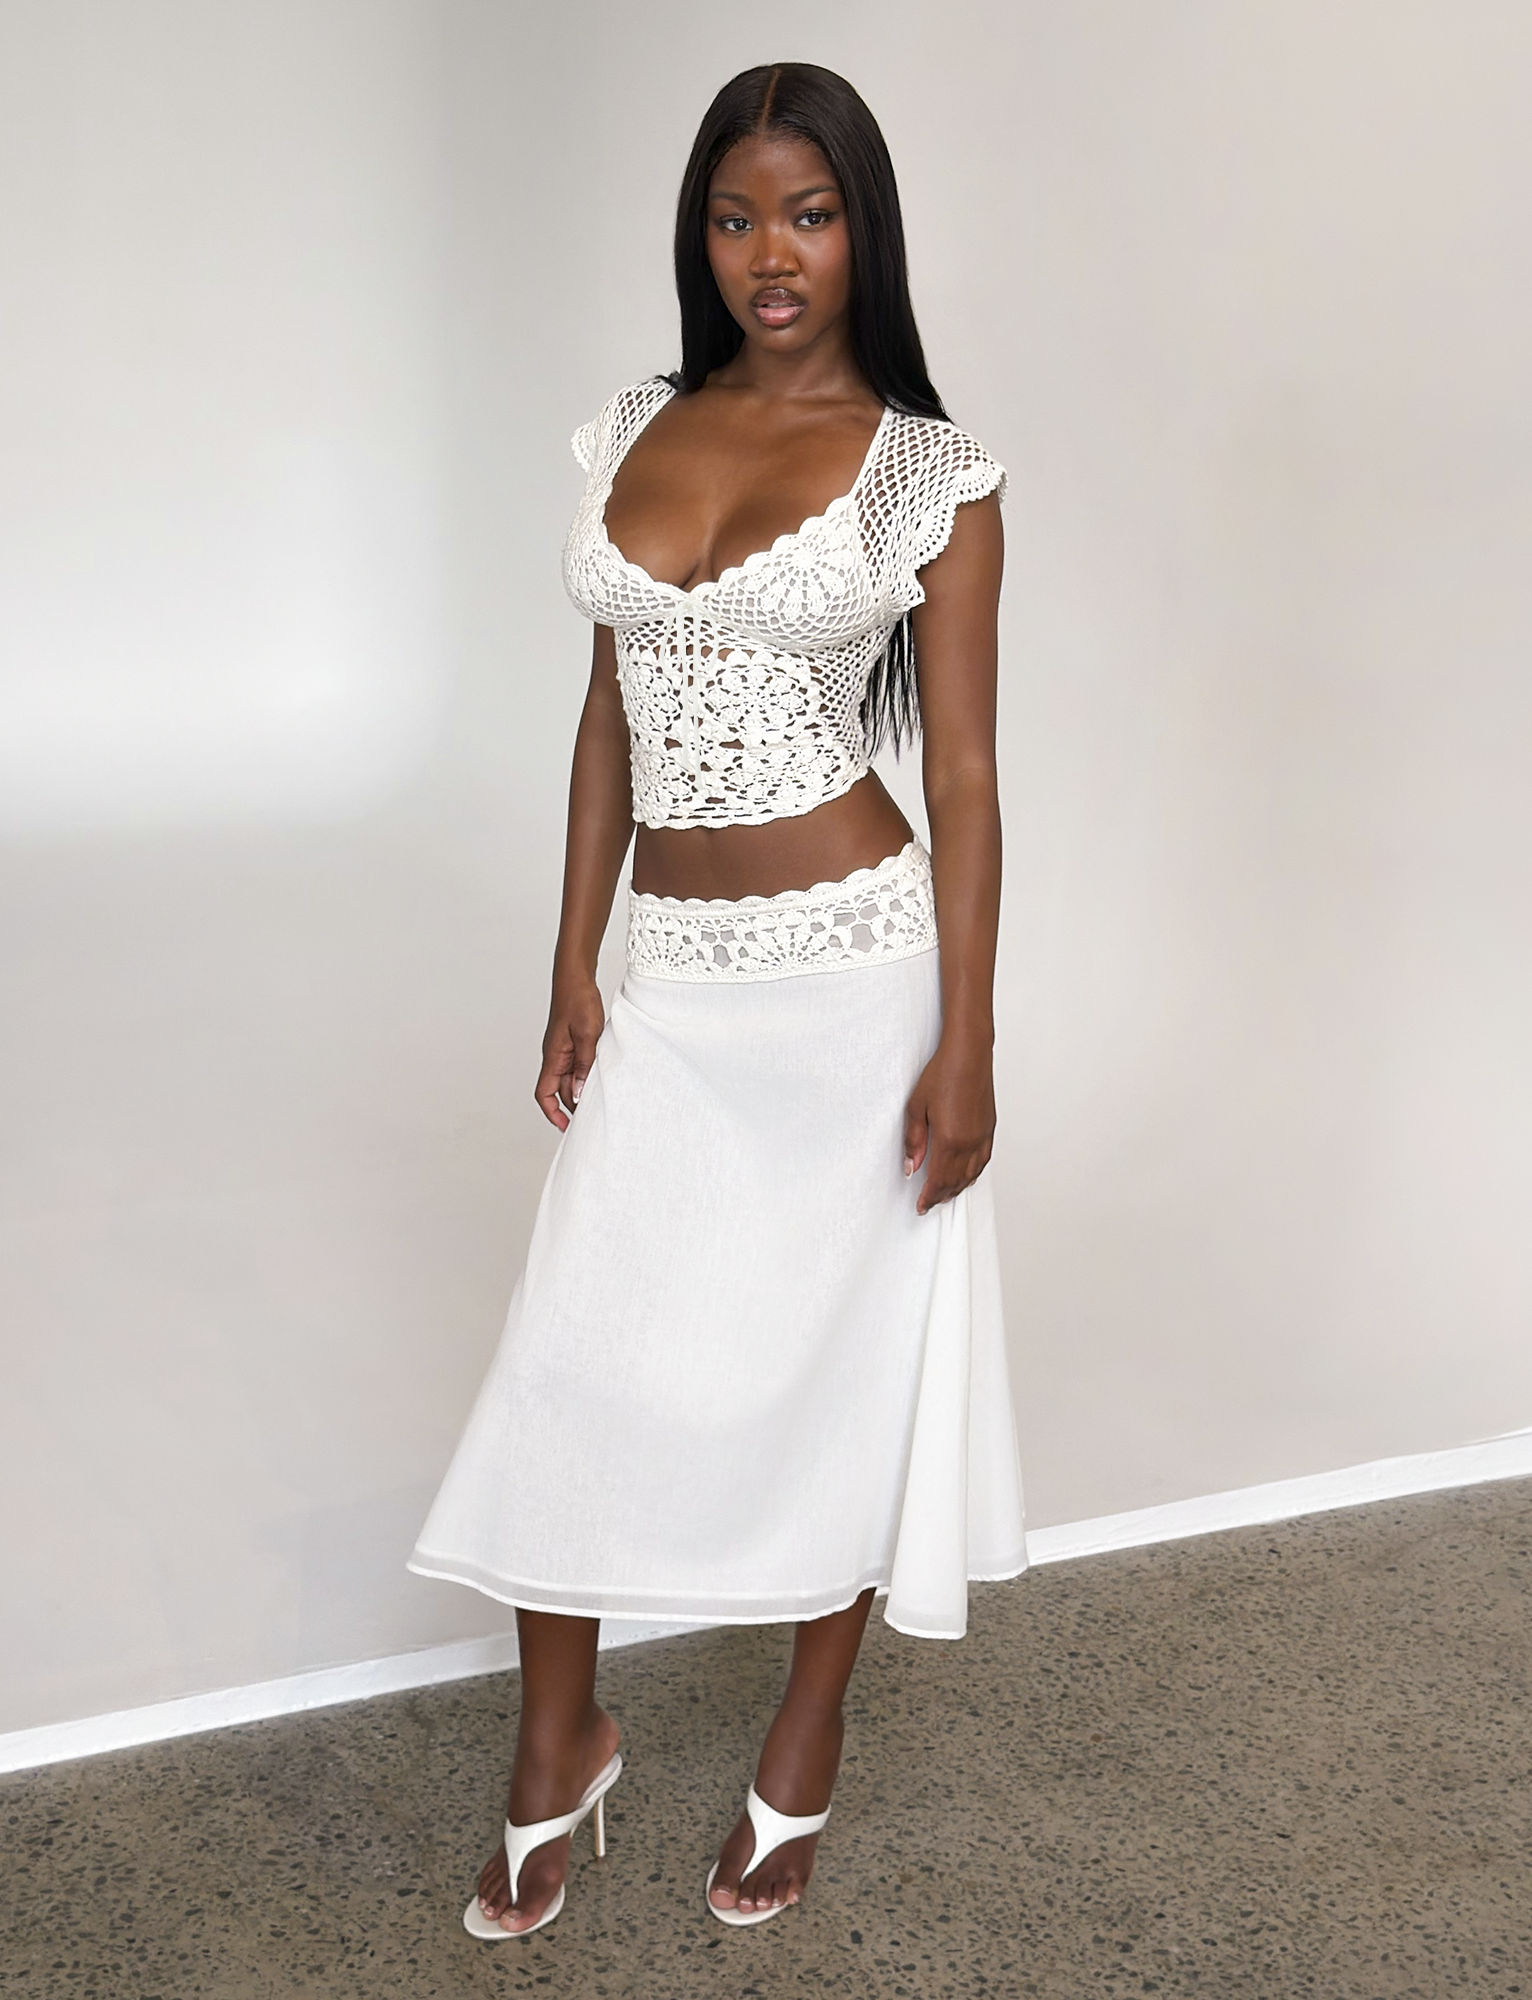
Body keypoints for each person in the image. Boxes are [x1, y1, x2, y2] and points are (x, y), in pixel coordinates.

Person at [409, 59, 1026, 1939]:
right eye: (740, 216)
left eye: (812, 216)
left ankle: (805, 1740)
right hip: (671, 980)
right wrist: (572, 963)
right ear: (703, 233)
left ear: (866, 233)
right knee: (583, 1354)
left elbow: (977, 782)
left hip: (859, 978)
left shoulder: (929, 471)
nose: (774, 255)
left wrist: (969, 1038)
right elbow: (606, 719)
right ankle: (559, 1743)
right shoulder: (629, 432)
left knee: (839, 1367)